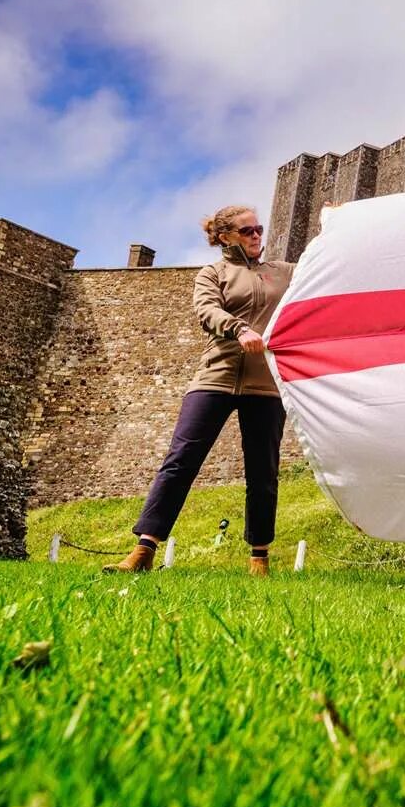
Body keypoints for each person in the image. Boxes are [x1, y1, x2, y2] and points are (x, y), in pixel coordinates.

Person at [104, 205, 295, 576]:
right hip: (215, 377)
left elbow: (323, 270)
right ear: (225, 237)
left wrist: (331, 223)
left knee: (264, 472)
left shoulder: (283, 273)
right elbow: (207, 311)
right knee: (180, 461)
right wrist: (239, 329)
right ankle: (144, 550)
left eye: (259, 229)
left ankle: (259, 558)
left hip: (266, 384)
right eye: (247, 231)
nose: (257, 235)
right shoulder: (213, 273)